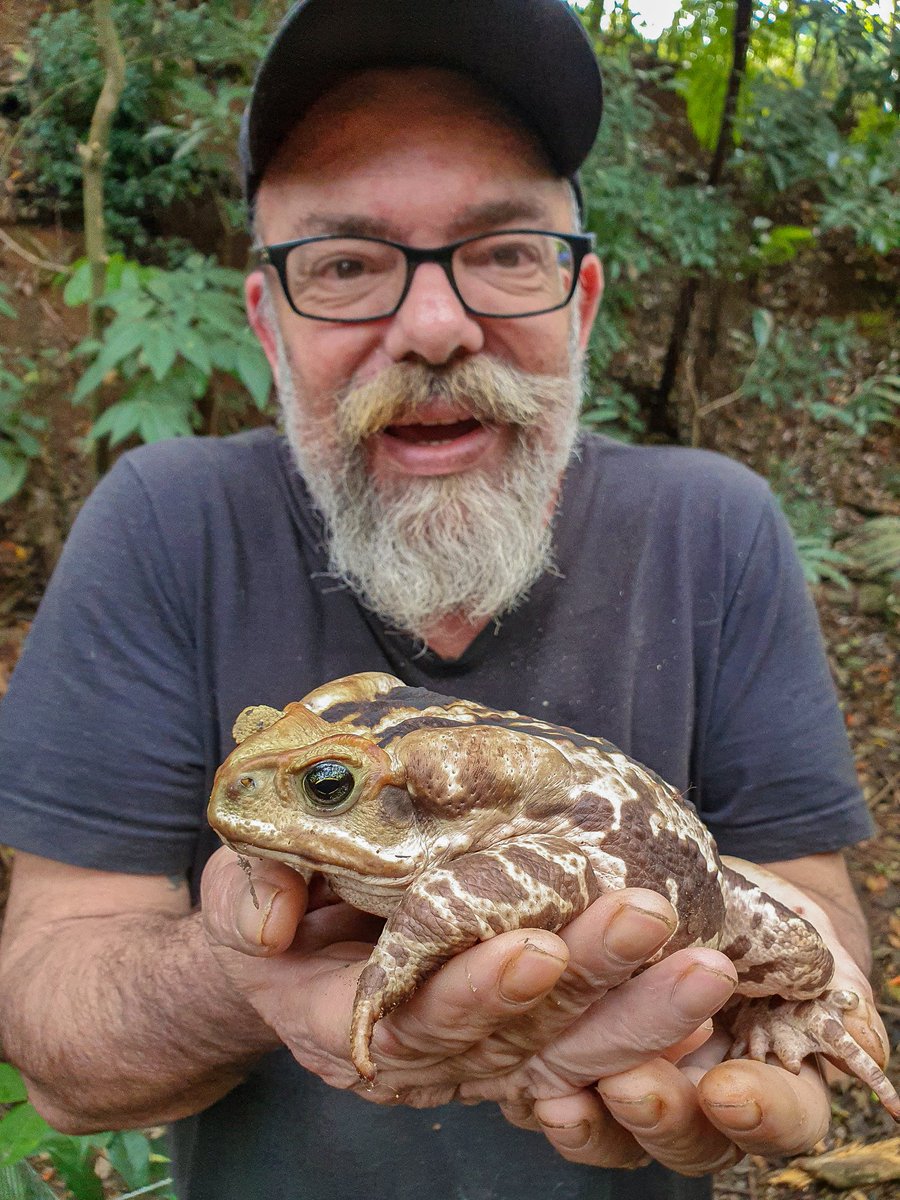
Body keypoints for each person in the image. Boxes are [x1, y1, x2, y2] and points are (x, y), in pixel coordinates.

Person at [0, 2, 886, 1199]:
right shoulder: (166, 521)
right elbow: (56, 1035)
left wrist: (785, 1018)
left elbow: (791, 898)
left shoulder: (712, 524)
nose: (433, 326)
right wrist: (239, 974)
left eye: (504, 249)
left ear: (580, 302)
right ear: (268, 322)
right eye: (348, 264)